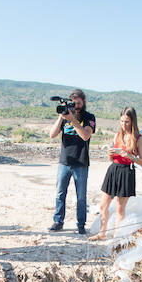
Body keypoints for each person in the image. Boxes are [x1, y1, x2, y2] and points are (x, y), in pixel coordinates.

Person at [89, 107, 142, 241]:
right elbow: (112, 157)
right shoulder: (117, 135)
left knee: (120, 209)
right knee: (103, 205)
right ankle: (102, 233)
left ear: (133, 122)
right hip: (113, 169)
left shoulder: (139, 138)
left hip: (127, 172)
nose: (124, 124)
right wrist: (110, 154)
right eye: (121, 121)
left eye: (127, 122)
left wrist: (130, 156)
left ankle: (116, 237)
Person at [49, 89, 95, 234]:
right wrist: (61, 117)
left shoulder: (89, 117)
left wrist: (73, 120)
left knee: (81, 197)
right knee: (59, 193)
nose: (76, 106)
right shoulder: (65, 117)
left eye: (78, 103)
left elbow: (86, 135)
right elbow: (52, 134)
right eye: (73, 104)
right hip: (64, 162)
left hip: (81, 162)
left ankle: (81, 224)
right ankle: (58, 221)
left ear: (84, 102)